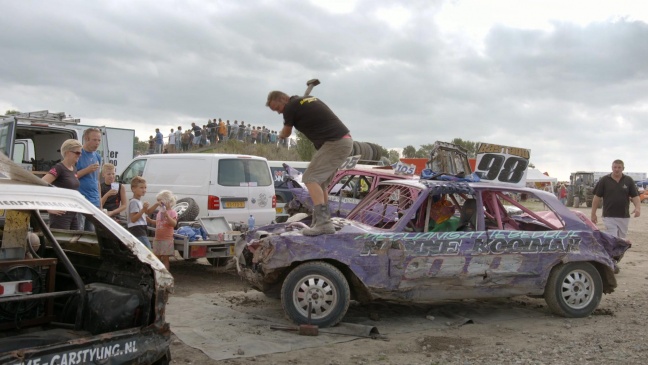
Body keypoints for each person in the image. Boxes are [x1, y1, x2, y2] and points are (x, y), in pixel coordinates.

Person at [266, 90, 353, 235]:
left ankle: (324, 224)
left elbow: (287, 132)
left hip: (334, 142)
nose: (279, 112)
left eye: (277, 108)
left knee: (309, 178)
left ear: (283, 99)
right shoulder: (305, 101)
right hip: (343, 141)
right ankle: (321, 220)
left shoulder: (290, 107)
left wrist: (281, 134)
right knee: (319, 183)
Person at [591, 159, 640, 239]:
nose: (617, 169)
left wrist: (638, 208)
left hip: (624, 216)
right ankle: (611, 250)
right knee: (612, 238)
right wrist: (593, 214)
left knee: (621, 239)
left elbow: (635, 196)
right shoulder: (604, 180)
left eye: (619, 167)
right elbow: (596, 198)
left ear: (623, 168)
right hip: (609, 216)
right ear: (612, 168)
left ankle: (618, 251)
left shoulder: (628, 180)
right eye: (615, 167)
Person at [42, 139, 83, 230]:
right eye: (77, 153)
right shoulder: (59, 168)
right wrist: (48, 208)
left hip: (73, 212)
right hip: (61, 213)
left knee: (75, 241)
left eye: (80, 153)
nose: (80, 155)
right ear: (68, 153)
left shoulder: (74, 169)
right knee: (61, 242)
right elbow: (41, 184)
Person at [76, 127, 102, 231]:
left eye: (99, 140)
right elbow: (71, 176)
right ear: (86, 138)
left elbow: (97, 180)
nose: (97, 143)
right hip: (81, 200)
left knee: (92, 233)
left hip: (94, 200)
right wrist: (86, 170)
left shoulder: (97, 156)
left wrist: (100, 201)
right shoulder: (78, 154)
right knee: (80, 231)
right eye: (94, 140)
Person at [128, 176, 157, 249]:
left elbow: (148, 211)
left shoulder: (139, 201)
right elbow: (133, 219)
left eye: (145, 187)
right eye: (141, 188)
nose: (144, 190)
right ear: (133, 189)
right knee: (147, 249)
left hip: (142, 229)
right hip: (137, 229)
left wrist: (156, 204)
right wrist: (143, 210)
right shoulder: (134, 202)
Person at [152, 190, 178, 270]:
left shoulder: (172, 212)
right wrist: (149, 221)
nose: (159, 203)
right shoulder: (160, 212)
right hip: (158, 238)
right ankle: (157, 273)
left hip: (166, 239)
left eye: (160, 201)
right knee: (156, 257)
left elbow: (174, 224)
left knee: (165, 258)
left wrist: (167, 216)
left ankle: (165, 274)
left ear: (167, 201)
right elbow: (158, 222)